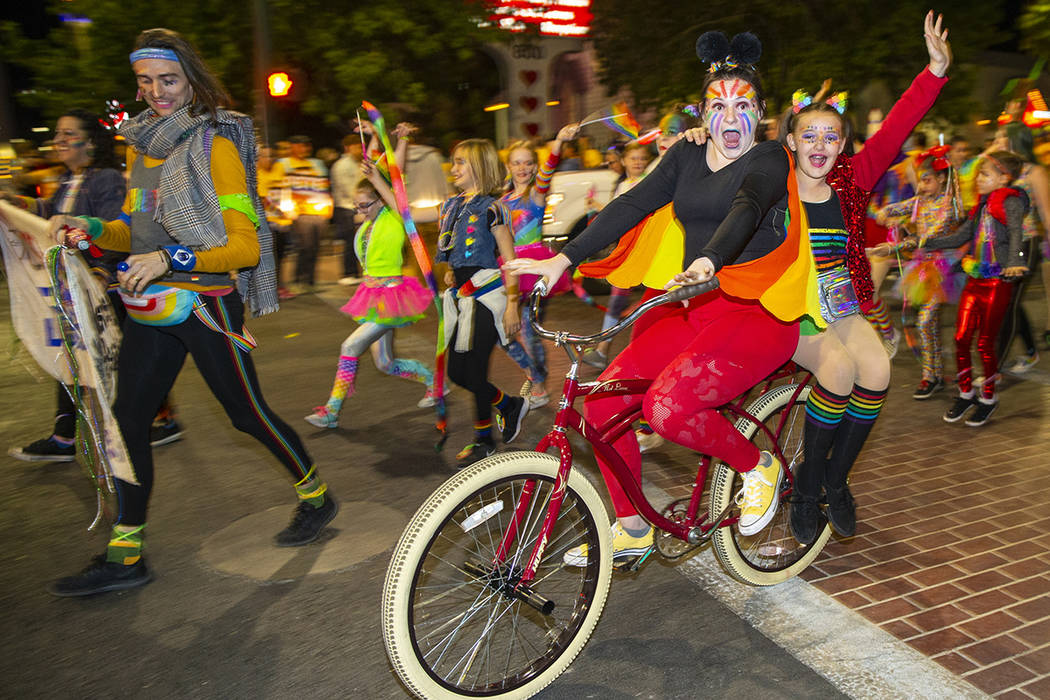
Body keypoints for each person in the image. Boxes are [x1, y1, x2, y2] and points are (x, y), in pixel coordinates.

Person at [44, 28, 337, 597]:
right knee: (128, 422)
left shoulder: (215, 147)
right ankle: (126, 554)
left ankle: (316, 495)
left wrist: (167, 257)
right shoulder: (143, 147)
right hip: (150, 308)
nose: (157, 92)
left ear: (192, 81)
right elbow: (138, 229)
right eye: (146, 82)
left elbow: (245, 247)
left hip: (206, 306)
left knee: (246, 415)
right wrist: (96, 229)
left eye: (169, 80)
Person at [506, 29, 811, 564]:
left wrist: (710, 261)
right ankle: (631, 528)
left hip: (754, 312)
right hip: (691, 307)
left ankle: (755, 465)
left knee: (668, 408)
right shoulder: (686, 157)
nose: (731, 117)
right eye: (719, 105)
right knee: (601, 404)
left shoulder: (770, 158)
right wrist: (563, 259)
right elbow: (630, 205)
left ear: (761, 113)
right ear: (702, 112)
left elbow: (749, 206)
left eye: (744, 105)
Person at [783, 11, 952, 544]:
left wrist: (935, 71)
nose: (819, 143)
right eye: (808, 134)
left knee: (876, 373)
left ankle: (835, 479)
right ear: (790, 141)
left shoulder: (854, 176)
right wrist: (699, 134)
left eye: (830, 136)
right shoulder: (773, 181)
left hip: (842, 302)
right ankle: (807, 489)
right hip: (791, 305)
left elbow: (900, 122)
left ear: (842, 144)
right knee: (836, 374)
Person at [5, 109, 185, 461]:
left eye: (68, 134)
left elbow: (111, 230)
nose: (58, 141)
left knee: (117, 355)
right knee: (81, 352)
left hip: (105, 285)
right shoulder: (70, 180)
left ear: (90, 143)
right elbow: (49, 213)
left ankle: (160, 419)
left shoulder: (105, 179)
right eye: (57, 134)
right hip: (77, 284)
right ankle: (65, 435)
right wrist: (17, 204)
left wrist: (101, 272)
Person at [304, 166, 437, 428]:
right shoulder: (368, 224)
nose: (360, 211)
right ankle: (434, 381)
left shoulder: (393, 217)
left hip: (392, 297)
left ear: (381, 200)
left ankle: (331, 411)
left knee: (350, 347)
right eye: (356, 206)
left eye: (365, 205)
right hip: (372, 297)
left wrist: (400, 143)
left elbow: (395, 178)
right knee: (385, 363)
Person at [437, 139, 529, 465]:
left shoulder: (493, 208)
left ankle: (483, 440)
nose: (454, 168)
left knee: (474, 372)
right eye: (454, 161)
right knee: (458, 373)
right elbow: (458, 251)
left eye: (461, 162)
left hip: (487, 299)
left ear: (480, 167)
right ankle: (507, 404)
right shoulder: (453, 206)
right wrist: (453, 273)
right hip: (462, 298)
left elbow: (510, 260)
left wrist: (513, 304)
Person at [923, 151, 1029, 426]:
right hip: (974, 278)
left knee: (984, 343)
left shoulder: (1011, 201)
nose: (979, 179)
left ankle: (988, 398)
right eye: (979, 174)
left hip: (997, 281)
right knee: (960, 337)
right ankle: (965, 392)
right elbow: (962, 235)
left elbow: (1017, 232)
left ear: (1004, 178)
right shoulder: (982, 205)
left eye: (985, 175)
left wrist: (1016, 262)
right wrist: (926, 241)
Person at [499, 123, 580, 408]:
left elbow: (548, 171)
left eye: (528, 163)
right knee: (505, 329)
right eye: (517, 163)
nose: (523, 168)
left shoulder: (536, 195)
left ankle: (540, 383)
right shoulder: (501, 200)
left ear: (534, 167)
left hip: (533, 267)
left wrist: (557, 140)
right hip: (508, 268)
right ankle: (534, 374)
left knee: (529, 327)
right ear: (508, 166)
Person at [873, 145, 963, 399]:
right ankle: (931, 375)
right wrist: (885, 215)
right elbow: (890, 210)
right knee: (927, 324)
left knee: (925, 322)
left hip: (944, 270)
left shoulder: (949, 206)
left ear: (941, 179)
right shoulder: (919, 202)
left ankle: (934, 375)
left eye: (927, 180)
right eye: (920, 180)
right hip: (922, 269)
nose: (921, 186)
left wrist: (895, 247)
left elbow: (927, 238)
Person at [580, 141, 654, 370]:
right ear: (624, 162)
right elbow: (620, 214)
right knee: (618, 297)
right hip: (630, 249)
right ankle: (604, 349)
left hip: (647, 248)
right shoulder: (623, 184)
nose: (638, 162)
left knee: (651, 299)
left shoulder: (650, 183)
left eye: (642, 158)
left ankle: (614, 351)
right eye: (634, 158)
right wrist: (600, 208)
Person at [272, 134, 331, 292]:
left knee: (315, 247)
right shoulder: (283, 165)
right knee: (304, 247)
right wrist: (288, 210)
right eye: (300, 145)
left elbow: (324, 187)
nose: (304, 149)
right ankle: (299, 280)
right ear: (292, 147)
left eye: (306, 146)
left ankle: (310, 280)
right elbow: (280, 189)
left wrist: (327, 209)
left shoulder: (316, 165)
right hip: (299, 214)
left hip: (317, 213)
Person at [330, 134, 363, 285]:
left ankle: (355, 273)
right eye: (356, 147)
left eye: (360, 147)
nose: (359, 150)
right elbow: (348, 189)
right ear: (347, 148)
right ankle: (348, 273)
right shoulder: (342, 165)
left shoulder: (357, 163)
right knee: (350, 241)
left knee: (357, 240)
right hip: (346, 208)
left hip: (356, 207)